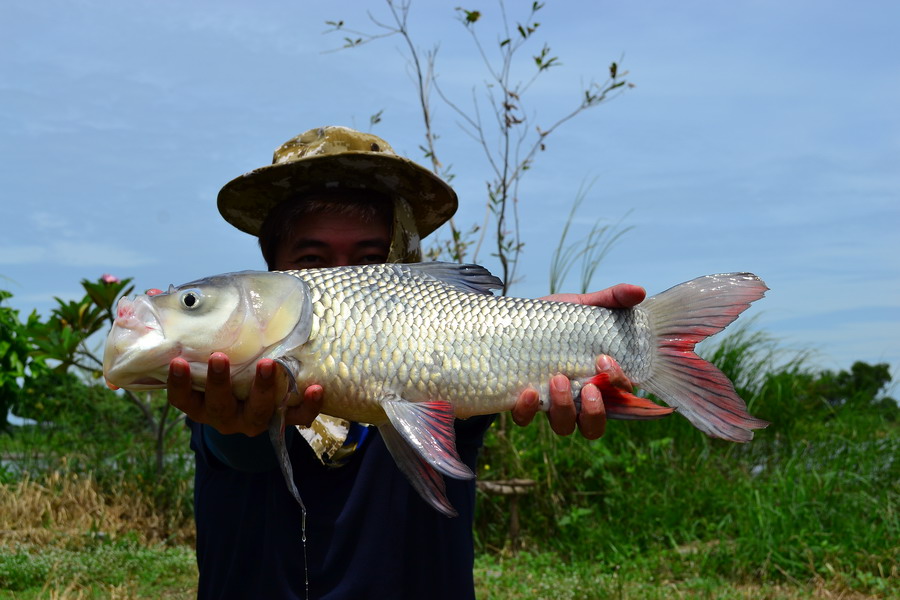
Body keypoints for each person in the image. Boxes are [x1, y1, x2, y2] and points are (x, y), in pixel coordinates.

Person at [166, 126, 645, 599]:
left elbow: (491, 345)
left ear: (406, 262)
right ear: (273, 274)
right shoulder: (223, 373)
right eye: (311, 261)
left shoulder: (445, 342)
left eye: (369, 260)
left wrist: (560, 333)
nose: (341, 280)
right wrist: (235, 425)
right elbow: (234, 447)